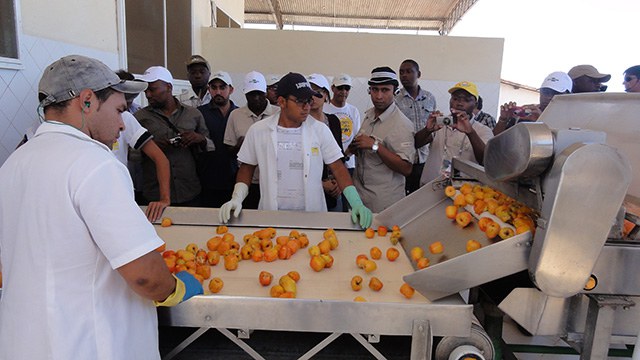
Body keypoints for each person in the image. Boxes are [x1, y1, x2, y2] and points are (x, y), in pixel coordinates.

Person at [0, 55, 202, 360]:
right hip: (90, 343)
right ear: (86, 101)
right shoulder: (95, 163)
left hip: (25, 342)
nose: (122, 124)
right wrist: (173, 289)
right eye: (119, 110)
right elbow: (144, 275)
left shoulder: (14, 164)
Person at [219, 72, 372, 229]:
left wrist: (356, 202)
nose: (307, 107)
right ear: (282, 102)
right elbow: (247, 168)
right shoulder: (259, 131)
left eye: (308, 101)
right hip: (272, 216)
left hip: (313, 217)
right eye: (300, 101)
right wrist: (236, 199)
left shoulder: (319, 130)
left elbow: (338, 168)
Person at [135, 66, 214, 206]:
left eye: (152, 89)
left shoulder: (193, 114)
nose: (148, 95)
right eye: (146, 90)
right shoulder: (139, 118)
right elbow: (130, 154)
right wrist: (150, 148)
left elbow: (210, 146)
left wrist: (198, 139)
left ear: (169, 87)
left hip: (189, 190)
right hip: (155, 195)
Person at [348, 67, 415, 213]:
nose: (379, 96)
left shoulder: (401, 124)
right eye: (374, 89)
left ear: (395, 92)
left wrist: (375, 146)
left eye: (385, 90)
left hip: (383, 204)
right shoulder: (369, 115)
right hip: (360, 197)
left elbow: (406, 168)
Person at [419, 81, 493, 186]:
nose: (459, 103)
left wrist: (470, 133)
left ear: (475, 104)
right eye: (455, 99)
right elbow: (417, 144)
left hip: (464, 192)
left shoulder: (483, 130)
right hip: (430, 187)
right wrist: (427, 130)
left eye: (466, 100)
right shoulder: (440, 123)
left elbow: (485, 161)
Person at [224, 71, 280, 209]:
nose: (256, 98)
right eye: (251, 94)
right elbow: (228, 150)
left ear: (265, 92)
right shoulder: (235, 115)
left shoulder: (278, 113)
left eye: (259, 94)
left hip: (274, 181)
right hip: (247, 181)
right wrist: (240, 146)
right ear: (244, 93)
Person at [197, 71, 239, 207]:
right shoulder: (199, 113)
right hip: (207, 180)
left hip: (235, 180)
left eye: (222, 87)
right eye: (214, 88)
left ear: (231, 89)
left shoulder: (240, 114)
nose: (218, 92)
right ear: (209, 89)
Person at [395, 59, 436, 195]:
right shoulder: (395, 100)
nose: (404, 75)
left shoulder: (429, 98)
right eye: (401, 72)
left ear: (418, 74)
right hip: (404, 159)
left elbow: (434, 128)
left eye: (408, 72)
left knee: (423, 198)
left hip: (425, 159)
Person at [307, 73, 344, 212]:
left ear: (326, 95)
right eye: (309, 92)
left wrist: (339, 183)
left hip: (335, 186)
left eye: (318, 93)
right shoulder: (301, 124)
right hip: (311, 188)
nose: (313, 97)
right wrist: (321, 184)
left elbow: (339, 155)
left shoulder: (333, 121)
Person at [493, 71, 572, 136]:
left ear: (567, 95)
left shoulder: (572, 120)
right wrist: (503, 119)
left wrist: (541, 121)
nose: (549, 97)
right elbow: (495, 142)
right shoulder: (527, 113)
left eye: (555, 93)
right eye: (546, 92)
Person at [324, 74, 361, 178]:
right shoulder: (323, 109)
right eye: (340, 88)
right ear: (332, 88)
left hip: (349, 165)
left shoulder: (354, 111)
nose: (344, 92)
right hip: (328, 164)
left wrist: (348, 154)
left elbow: (357, 136)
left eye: (347, 88)